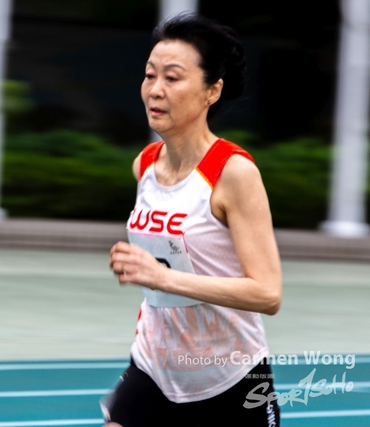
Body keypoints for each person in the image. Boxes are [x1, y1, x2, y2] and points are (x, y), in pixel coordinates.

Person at [104, 13, 282, 427]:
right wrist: (135, 264)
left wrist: (163, 278)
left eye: (172, 78)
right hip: (154, 366)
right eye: (150, 75)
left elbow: (268, 293)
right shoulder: (145, 165)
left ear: (212, 91)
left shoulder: (233, 173)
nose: (155, 89)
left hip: (230, 378)